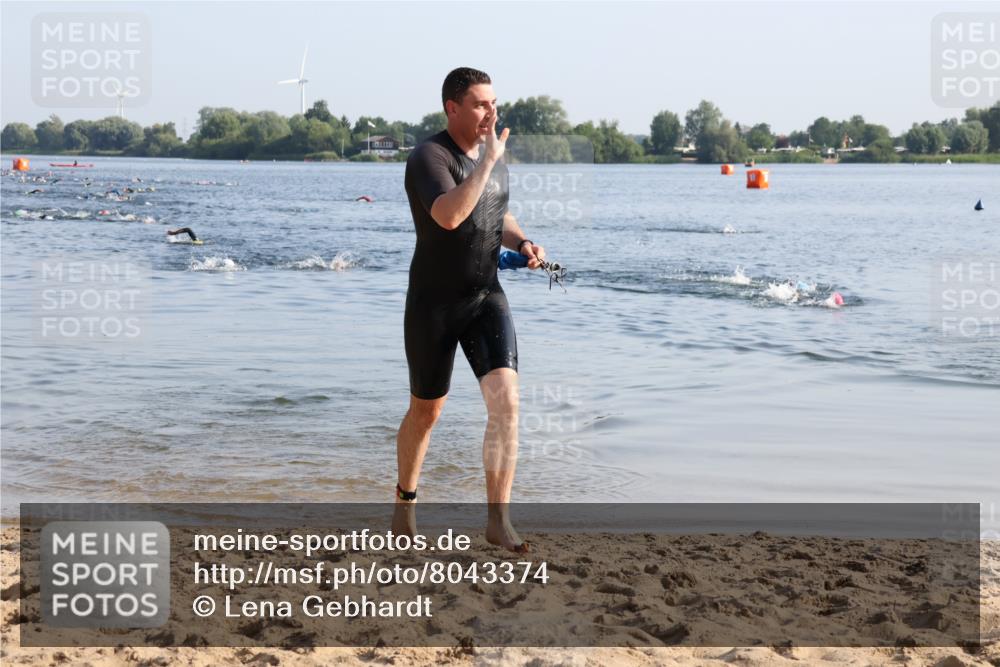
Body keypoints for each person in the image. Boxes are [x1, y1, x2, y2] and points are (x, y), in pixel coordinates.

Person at [395, 67, 545, 553]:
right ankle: (404, 506)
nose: (491, 112)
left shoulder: (491, 156)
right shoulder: (428, 157)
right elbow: (451, 214)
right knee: (426, 411)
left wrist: (521, 241)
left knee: (507, 403)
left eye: (494, 102)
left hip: (485, 296)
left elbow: (496, 214)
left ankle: (497, 521)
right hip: (433, 305)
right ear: (452, 108)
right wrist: (487, 161)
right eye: (480, 104)